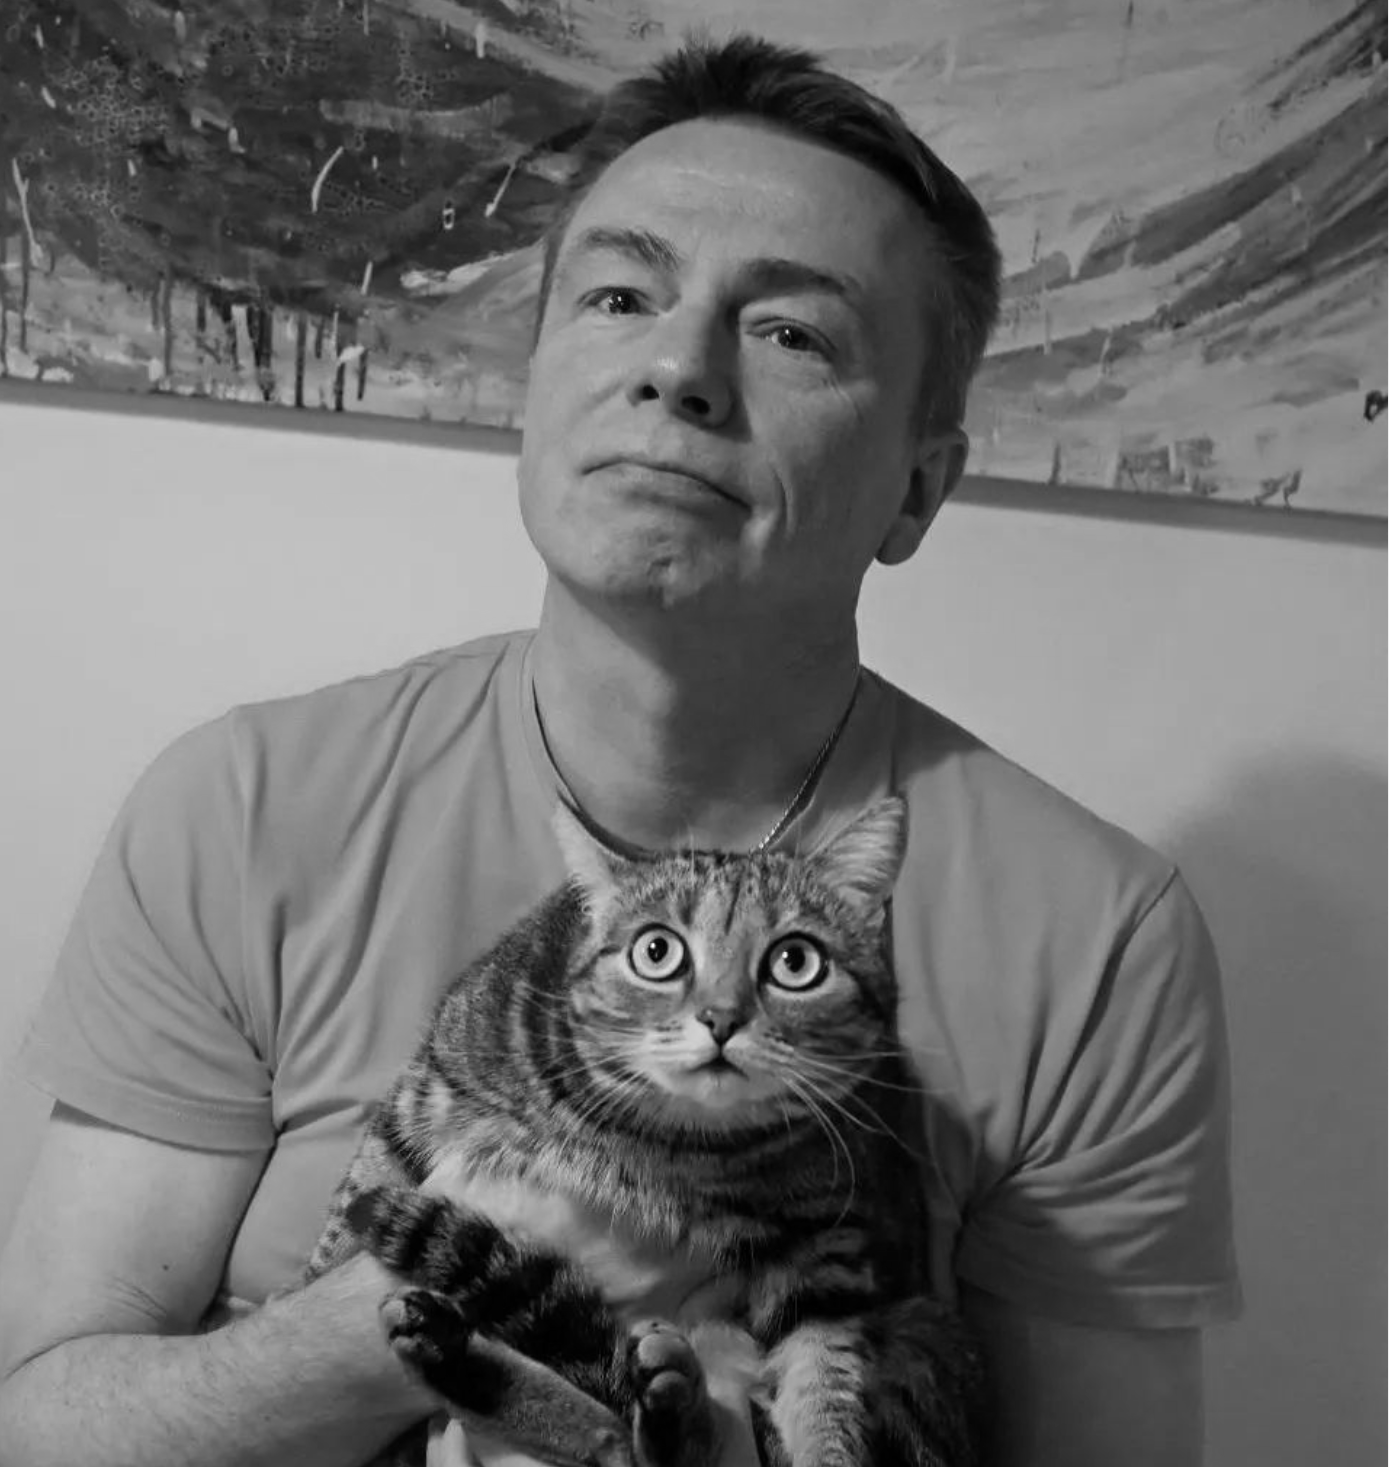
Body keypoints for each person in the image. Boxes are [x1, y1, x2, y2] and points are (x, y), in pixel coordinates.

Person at [0, 32, 1240, 1467]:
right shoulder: (243, 806)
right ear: (532, 381)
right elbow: (42, 1423)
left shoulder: (1094, 934)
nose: (677, 366)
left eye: (790, 331)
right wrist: (399, 1327)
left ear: (918, 485)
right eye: (617, 293)